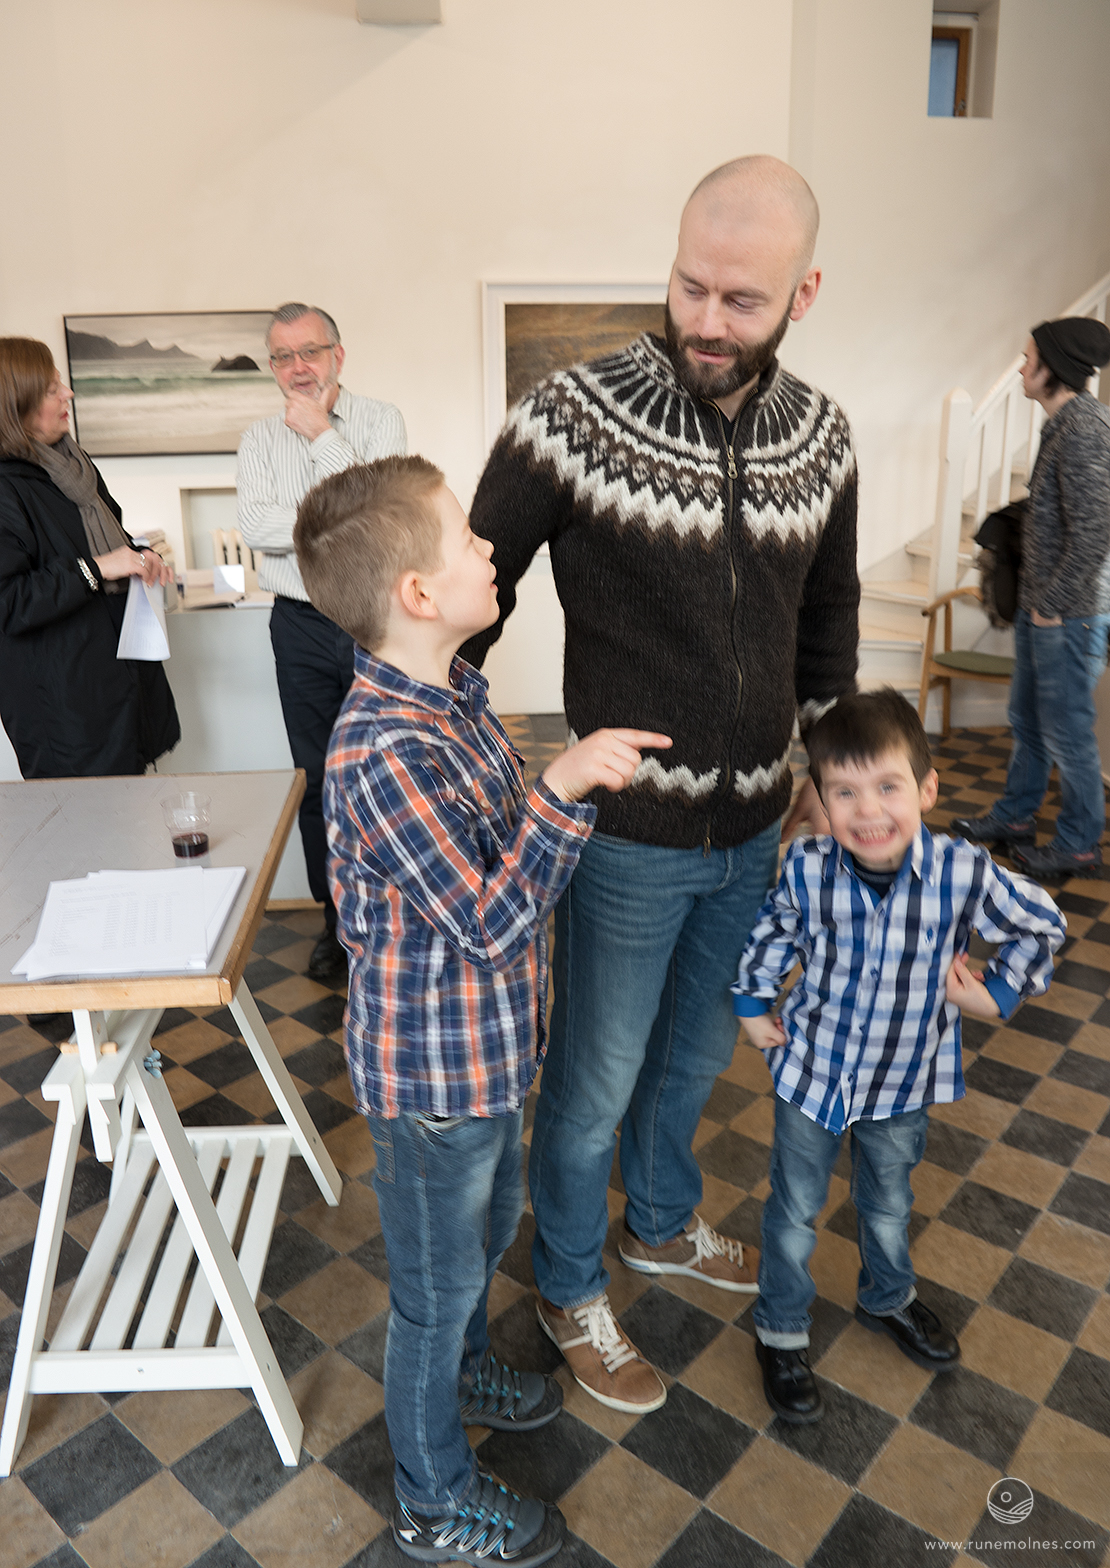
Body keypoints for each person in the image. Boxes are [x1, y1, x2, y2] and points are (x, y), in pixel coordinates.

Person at [460, 155, 860, 1413]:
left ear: (804, 289)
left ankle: (661, 1221)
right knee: (591, 1081)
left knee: (692, 1062)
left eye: (742, 301)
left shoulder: (827, 433)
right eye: (691, 285)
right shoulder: (567, 414)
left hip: (758, 829)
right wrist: (461, 756)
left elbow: (830, 615)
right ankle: (570, 1277)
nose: (706, 320)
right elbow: (467, 593)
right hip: (624, 837)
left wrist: (826, 768)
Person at [294, 454, 670, 1567]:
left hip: (491, 1063)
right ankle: (431, 1495)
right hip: (433, 1088)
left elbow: (500, 853)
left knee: (478, 1239)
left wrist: (551, 784)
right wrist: (563, 789)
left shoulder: (453, 698)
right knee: (433, 1287)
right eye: (467, 538)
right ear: (416, 593)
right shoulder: (380, 752)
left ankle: (467, 1368)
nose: (490, 548)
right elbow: (494, 917)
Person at [733, 690, 1065, 1423]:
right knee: (793, 1212)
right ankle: (781, 1330)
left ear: (926, 789)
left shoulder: (961, 871)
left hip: (903, 1078)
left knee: (887, 1204)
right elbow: (773, 935)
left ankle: (889, 1298)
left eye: (888, 788)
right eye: (844, 793)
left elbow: (1041, 922)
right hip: (811, 1075)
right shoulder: (807, 867)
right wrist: (753, 1005)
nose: (869, 812)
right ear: (819, 799)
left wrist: (999, 995)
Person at [238, 303, 406, 983]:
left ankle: (394, 919)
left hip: (373, 619)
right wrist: (341, 506)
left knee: (386, 774)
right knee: (317, 780)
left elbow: (384, 516)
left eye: (310, 351)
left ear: (339, 354)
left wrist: (319, 437)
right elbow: (256, 525)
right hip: (300, 626)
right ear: (273, 366)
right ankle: (336, 926)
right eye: (284, 357)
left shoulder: (381, 421)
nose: (298, 367)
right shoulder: (255, 439)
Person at [953, 317, 1110, 878]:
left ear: (1052, 368)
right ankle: (1017, 816)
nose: (1021, 367)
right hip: (1041, 609)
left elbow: (1095, 531)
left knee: (1068, 733)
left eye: (1028, 358)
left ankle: (1079, 844)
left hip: (1066, 616)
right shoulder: (1061, 424)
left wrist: (1052, 605)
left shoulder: (1087, 429)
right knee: (1027, 719)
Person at [0, 337, 179, 779]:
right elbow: (9, 602)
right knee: (86, 841)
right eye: (51, 389)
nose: (68, 395)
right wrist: (98, 569)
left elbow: (106, 542)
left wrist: (139, 557)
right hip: (64, 711)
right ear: (14, 403)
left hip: (117, 683)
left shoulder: (74, 466)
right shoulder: (5, 487)